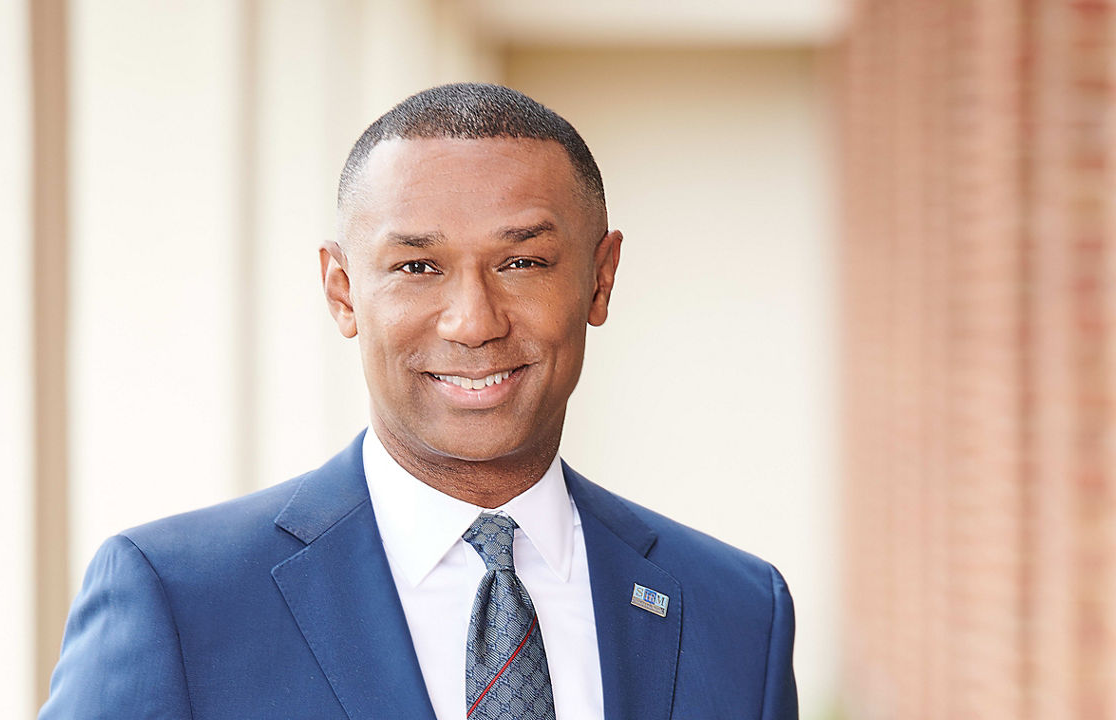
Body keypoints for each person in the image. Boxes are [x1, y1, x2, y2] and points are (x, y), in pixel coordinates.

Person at [40, 82, 798, 720]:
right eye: (417, 267)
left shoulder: (738, 613)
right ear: (343, 291)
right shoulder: (177, 599)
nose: (474, 322)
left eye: (522, 261)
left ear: (600, 280)